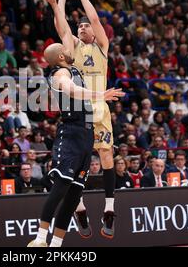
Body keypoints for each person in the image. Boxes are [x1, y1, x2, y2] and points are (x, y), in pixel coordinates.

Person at [40, 0, 119, 239]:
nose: (81, 28)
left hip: (100, 106)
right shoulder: (72, 50)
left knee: (106, 155)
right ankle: (80, 208)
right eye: (80, 26)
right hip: (84, 106)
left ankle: (109, 210)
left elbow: (95, 18)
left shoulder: (102, 46)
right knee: (79, 164)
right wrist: (58, 1)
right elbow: (61, 26)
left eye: (85, 26)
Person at [27, 40, 123, 247]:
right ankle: (40, 239)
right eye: (66, 49)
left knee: (73, 197)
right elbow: (69, 89)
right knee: (61, 188)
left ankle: (56, 245)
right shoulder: (59, 73)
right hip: (71, 133)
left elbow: (65, 28)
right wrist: (100, 95)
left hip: (87, 136)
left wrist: (58, 5)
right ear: (61, 56)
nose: (71, 49)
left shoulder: (74, 69)